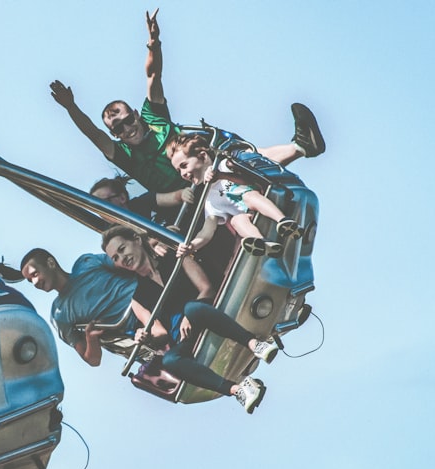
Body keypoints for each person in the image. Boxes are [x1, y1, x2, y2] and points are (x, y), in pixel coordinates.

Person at [50, 10, 324, 225]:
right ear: (115, 135)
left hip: (208, 170)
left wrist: (153, 44)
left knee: (239, 158)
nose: (126, 129)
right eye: (118, 128)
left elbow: (153, 75)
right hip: (185, 199)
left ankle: (301, 146)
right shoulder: (123, 154)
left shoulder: (152, 116)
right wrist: (70, 107)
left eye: (127, 120)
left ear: (135, 114)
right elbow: (92, 134)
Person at [102, 226, 276, 414]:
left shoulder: (175, 259)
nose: (122, 258)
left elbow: (206, 288)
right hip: (184, 336)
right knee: (170, 360)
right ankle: (237, 390)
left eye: (122, 249)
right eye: (116, 258)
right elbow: (160, 333)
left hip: (201, 311)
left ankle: (254, 344)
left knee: (192, 308)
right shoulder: (137, 299)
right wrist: (143, 336)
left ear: (136, 240)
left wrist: (188, 317)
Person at [166, 133, 302, 258]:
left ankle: (283, 221)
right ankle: (263, 243)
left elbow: (250, 180)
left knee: (249, 196)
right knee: (236, 221)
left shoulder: (224, 166)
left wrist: (221, 176)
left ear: (203, 156)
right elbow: (206, 232)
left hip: (262, 200)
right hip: (251, 217)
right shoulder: (209, 200)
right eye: (178, 171)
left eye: (184, 166)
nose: (182, 174)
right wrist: (191, 246)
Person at [19, 248, 137, 367]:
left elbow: (130, 262)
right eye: (30, 281)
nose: (34, 283)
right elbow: (93, 360)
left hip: (148, 294)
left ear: (50, 263)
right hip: (137, 328)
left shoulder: (86, 263)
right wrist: (91, 338)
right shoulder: (59, 314)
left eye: (35, 274)